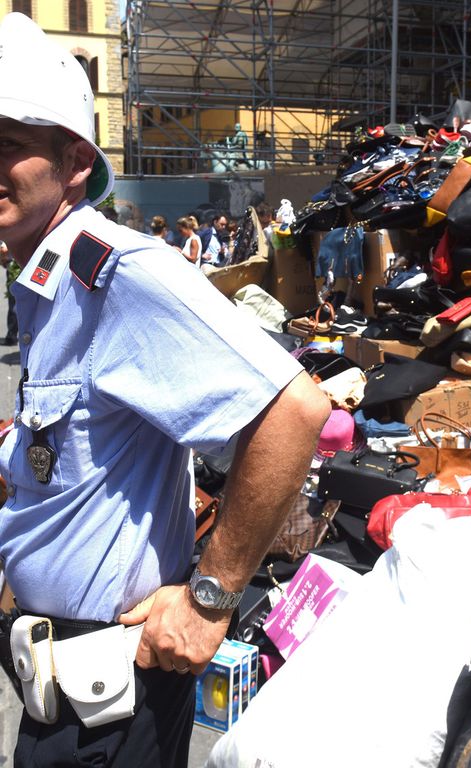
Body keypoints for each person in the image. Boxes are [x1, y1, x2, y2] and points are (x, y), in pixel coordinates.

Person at [0, 12, 329, 768]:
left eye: (9, 145)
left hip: (111, 708)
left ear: (75, 160)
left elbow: (296, 406)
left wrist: (210, 599)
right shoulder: (46, 284)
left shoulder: (116, 271)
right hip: (57, 686)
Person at [0, 239, 19, 345]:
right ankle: (12, 335)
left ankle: (12, 335)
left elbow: (4, 250)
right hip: (14, 265)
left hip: (16, 266)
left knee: (14, 302)